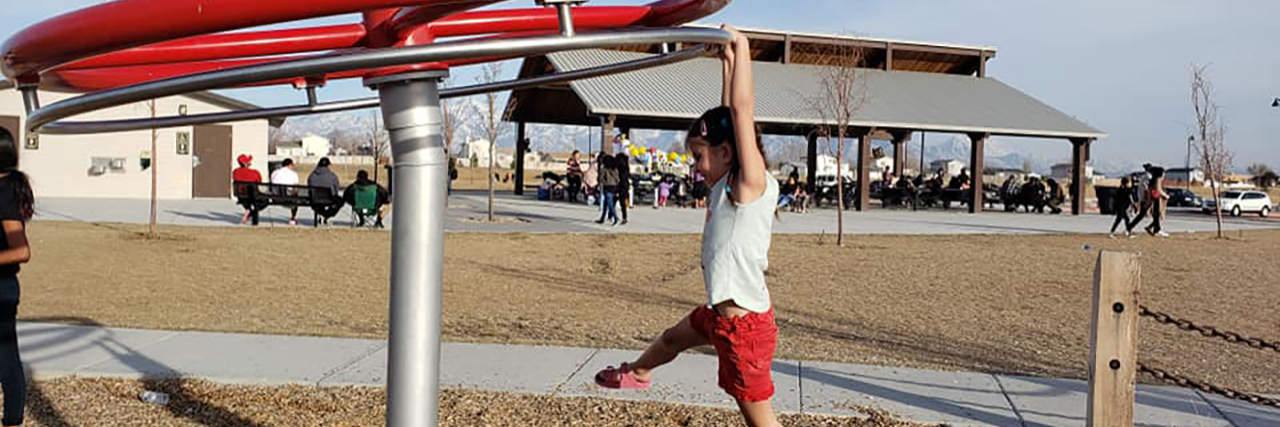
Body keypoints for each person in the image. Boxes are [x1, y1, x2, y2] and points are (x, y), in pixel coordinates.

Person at [593, 26, 783, 427]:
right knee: (671, 339)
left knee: (759, 419)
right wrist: (726, 62)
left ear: (726, 153)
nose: (694, 165)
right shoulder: (721, 185)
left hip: (743, 330)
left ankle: (640, 372)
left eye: (698, 156)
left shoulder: (749, 186)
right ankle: (638, 373)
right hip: (719, 315)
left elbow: (741, 113)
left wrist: (742, 49)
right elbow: (729, 115)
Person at [308, 157, 344, 225]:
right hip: (329, 197)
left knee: (317, 203)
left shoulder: (312, 175)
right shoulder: (332, 175)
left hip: (314, 198)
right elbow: (336, 188)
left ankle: (322, 215)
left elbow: (309, 185)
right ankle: (326, 215)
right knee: (340, 201)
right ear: (328, 165)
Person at [232, 154, 264, 224]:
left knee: (252, 202)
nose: (250, 162)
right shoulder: (255, 172)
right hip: (254, 195)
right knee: (265, 200)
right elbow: (259, 182)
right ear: (245, 163)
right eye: (248, 161)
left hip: (241, 195)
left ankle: (249, 211)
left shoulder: (235, 172)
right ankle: (251, 213)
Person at [270, 158, 301, 226]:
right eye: (292, 165)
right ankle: (293, 218)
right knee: (296, 196)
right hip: (288, 199)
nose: (293, 166)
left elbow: (272, 185)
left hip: (275, 198)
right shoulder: (294, 174)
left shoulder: (274, 172)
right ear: (289, 165)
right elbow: (296, 188)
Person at [595, 154, 620, 226]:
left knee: (609, 204)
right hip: (614, 187)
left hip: (607, 187)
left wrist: (603, 182)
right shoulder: (615, 169)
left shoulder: (604, 169)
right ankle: (602, 218)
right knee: (606, 203)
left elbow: (601, 178)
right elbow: (617, 179)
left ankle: (615, 217)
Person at [1144, 168, 1169, 237]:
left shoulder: (1154, 179)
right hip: (1155, 198)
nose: (1164, 175)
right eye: (1163, 173)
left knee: (1156, 215)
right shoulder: (1157, 180)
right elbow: (1158, 190)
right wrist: (1165, 195)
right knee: (1156, 214)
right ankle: (1157, 230)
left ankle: (1154, 228)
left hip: (1154, 198)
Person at [615, 153, 632, 225]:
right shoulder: (626, 168)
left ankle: (612, 215)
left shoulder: (619, 168)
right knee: (622, 203)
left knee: (613, 200)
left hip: (620, 185)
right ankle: (624, 217)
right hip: (625, 186)